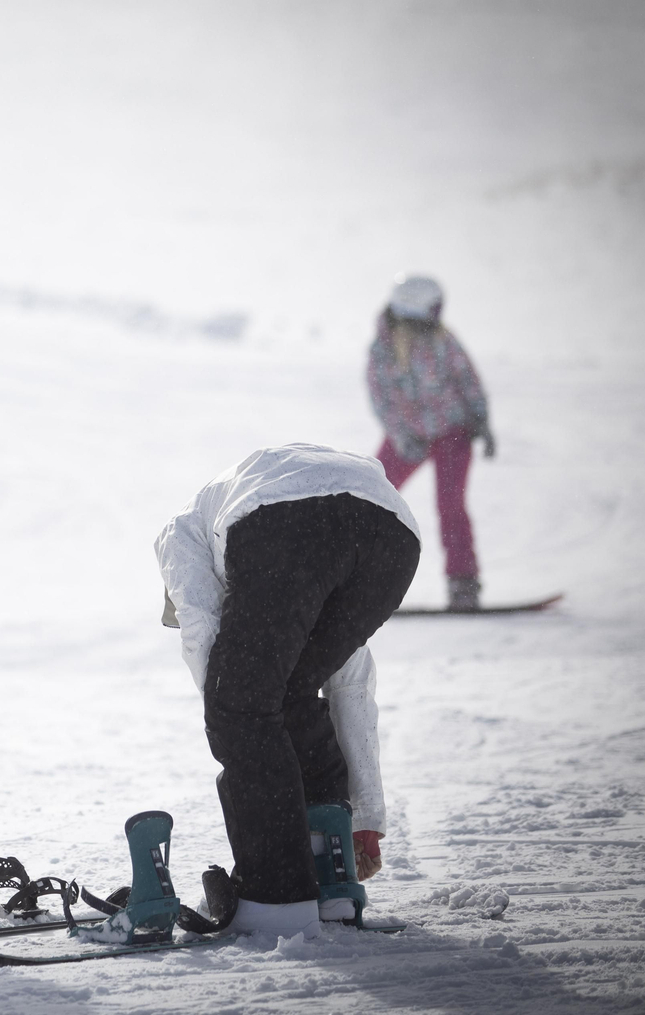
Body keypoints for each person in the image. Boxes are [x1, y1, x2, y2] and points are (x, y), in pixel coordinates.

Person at [154, 444, 421, 940]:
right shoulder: (237, 509)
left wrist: (227, 709)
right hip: (392, 536)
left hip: (285, 521)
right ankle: (331, 882)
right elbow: (351, 684)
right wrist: (364, 818)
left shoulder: (180, 533)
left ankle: (276, 899)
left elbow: (200, 630)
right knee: (290, 691)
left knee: (244, 708)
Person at [366, 274, 494, 611]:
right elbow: (382, 400)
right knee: (369, 497)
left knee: (451, 506)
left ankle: (463, 584)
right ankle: (354, 583)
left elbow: (467, 379)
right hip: (408, 437)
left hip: (453, 434)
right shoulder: (383, 349)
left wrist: (482, 420)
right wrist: (401, 435)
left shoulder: (443, 341)